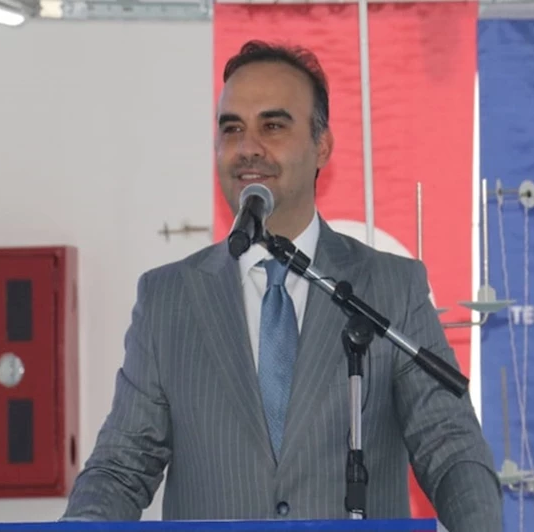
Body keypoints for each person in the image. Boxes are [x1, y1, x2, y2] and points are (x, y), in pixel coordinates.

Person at [61, 40, 503, 530]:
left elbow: (450, 446)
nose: (248, 147)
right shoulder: (168, 299)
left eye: (272, 126)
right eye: (232, 128)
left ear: (321, 146)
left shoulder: (390, 288)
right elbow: (122, 468)